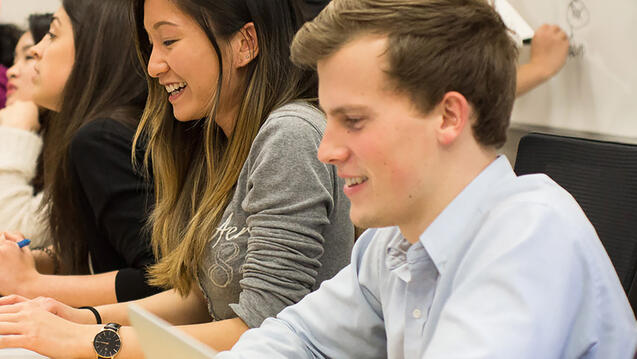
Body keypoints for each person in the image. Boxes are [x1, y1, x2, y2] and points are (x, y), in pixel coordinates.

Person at [216, 0, 637, 358]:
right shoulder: (393, 242)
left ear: (448, 116)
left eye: (354, 120)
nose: (326, 149)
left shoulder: (531, 237)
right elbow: (299, 338)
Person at [0, 0, 353, 357]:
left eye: (168, 41)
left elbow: (264, 330)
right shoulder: (217, 141)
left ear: (245, 43)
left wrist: (86, 340)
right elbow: (202, 298)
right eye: (151, 45)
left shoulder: (290, 133)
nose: (153, 66)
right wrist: (81, 318)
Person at [0, 0, 162, 306]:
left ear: (94, 51)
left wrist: (29, 283)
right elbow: (103, 246)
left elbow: (161, 281)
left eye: (52, 34)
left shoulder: (101, 138)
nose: (37, 51)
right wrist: (35, 260)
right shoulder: (105, 130)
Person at [0, 13, 53, 245]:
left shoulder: (89, 139)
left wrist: (17, 132)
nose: (11, 71)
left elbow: (11, 235)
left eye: (29, 56)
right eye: (14, 59)